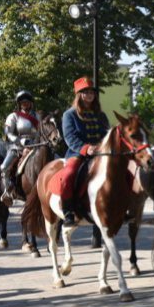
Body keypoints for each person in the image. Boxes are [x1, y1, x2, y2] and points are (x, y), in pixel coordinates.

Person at [54, 78, 110, 225]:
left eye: (92, 92)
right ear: (79, 94)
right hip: (77, 153)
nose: (90, 94)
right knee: (68, 175)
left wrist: (102, 146)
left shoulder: (101, 115)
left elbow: (106, 134)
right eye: (86, 92)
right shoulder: (69, 114)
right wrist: (86, 148)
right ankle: (68, 211)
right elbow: (69, 137)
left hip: (101, 153)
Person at [1, 90, 40, 202]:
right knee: (4, 167)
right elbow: (8, 133)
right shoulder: (13, 116)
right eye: (23, 102)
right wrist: (22, 142)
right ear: (19, 104)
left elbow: (42, 131)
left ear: (31, 103)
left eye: (27, 102)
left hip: (37, 145)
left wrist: (34, 144)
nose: (25, 104)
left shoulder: (37, 116)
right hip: (17, 147)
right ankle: (7, 191)